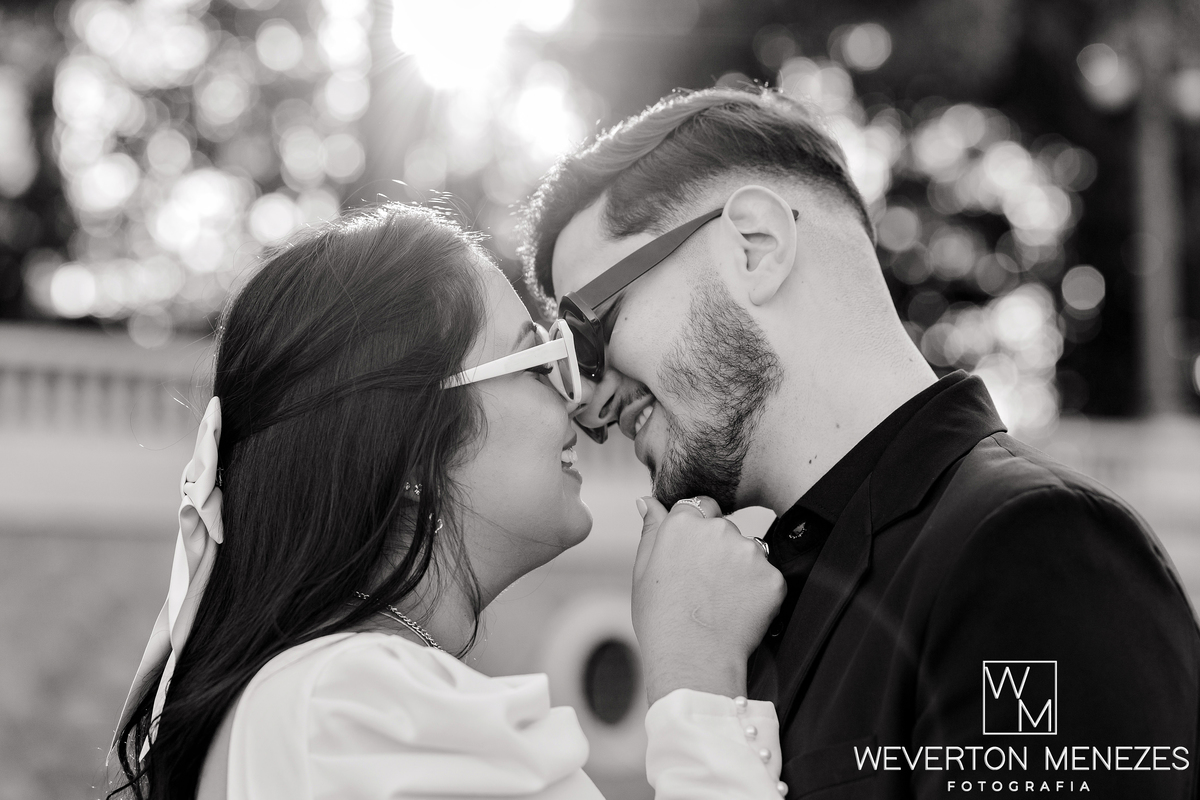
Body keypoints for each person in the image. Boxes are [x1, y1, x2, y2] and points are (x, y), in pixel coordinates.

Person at [519, 86, 1200, 798]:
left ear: (756, 247)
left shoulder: (1036, 551)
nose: (586, 401)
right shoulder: (748, 613)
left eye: (588, 334)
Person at [107, 203, 788, 800]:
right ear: (410, 450)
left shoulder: (327, 699)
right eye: (536, 361)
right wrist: (698, 676)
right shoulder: (356, 707)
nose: (577, 399)